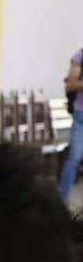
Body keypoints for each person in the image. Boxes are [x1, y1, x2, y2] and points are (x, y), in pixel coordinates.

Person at [59, 45, 83, 200]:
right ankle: (62, 201)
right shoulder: (79, 56)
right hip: (81, 115)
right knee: (74, 158)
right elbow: (71, 84)